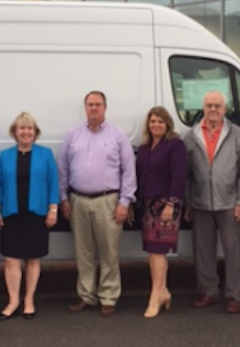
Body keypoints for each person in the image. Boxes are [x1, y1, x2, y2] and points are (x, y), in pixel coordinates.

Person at [58, 90, 136, 317]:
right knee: (83, 252)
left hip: (107, 201)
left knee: (109, 253)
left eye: (98, 104)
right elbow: (63, 167)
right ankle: (86, 296)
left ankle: (108, 297)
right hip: (78, 200)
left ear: (105, 108)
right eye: (90, 105)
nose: (94, 108)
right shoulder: (72, 135)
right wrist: (63, 197)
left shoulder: (118, 136)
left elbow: (128, 171)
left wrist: (124, 202)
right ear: (85, 108)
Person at [183, 90, 240, 314]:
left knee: (233, 253)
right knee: (203, 253)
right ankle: (209, 292)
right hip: (201, 203)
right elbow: (188, 175)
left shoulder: (236, 133)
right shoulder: (191, 136)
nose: (213, 110)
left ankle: (234, 296)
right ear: (204, 108)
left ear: (225, 109)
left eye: (217, 106)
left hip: (230, 203)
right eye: (209, 105)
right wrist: (189, 202)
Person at [0, 112, 60, 321]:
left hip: (36, 213)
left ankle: (29, 300)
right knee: (11, 261)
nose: (26, 132)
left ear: (35, 132)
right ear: (15, 132)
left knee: (32, 260)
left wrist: (53, 209)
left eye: (29, 128)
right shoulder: (5, 156)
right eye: (22, 128)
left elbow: (53, 183)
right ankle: (13, 301)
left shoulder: (45, 154)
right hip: (11, 213)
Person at [134, 106, 187, 318]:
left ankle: (155, 296)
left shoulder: (175, 145)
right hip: (148, 205)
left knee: (157, 251)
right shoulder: (145, 147)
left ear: (168, 124)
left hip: (165, 206)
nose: (156, 125)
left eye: (160, 121)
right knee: (153, 252)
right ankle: (163, 291)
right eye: (152, 121)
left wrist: (171, 204)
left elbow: (179, 177)